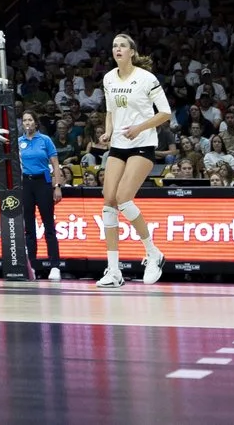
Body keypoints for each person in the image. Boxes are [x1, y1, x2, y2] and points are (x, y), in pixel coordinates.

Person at [96, 34, 172, 287]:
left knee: (123, 198)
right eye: (114, 45)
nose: (117, 49)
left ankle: (153, 253)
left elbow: (165, 113)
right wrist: (108, 131)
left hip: (143, 144)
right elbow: (110, 111)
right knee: (108, 203)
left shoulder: (147, 78)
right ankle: (114, 270)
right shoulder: (108, 78)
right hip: (118, 144)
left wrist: (139, 128)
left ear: (132, 52)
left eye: (122, 45)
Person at [17, 109, 62, 279]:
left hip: (43, 183)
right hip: (26, 184)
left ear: (36, 123)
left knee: (48, 225)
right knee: (29, 228)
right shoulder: (19, 142)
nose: (27, 123)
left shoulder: (45, 140)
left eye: (30, 120)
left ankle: (55, 266)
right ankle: (32, 266)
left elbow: (56, 164)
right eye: (25, 120)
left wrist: (57, 186)